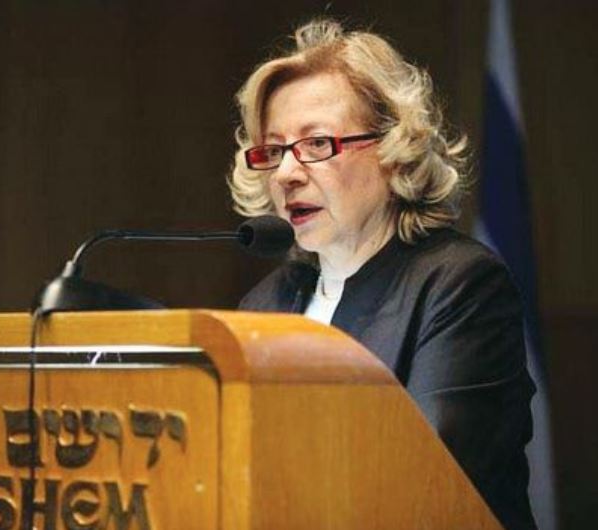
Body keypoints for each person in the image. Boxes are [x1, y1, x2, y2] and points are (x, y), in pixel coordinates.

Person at [229, 18, 536, 529]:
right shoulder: (264, 304)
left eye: (317, 144)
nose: (285, 173)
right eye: (274, 150)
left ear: (395, 151)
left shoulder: (459, 284)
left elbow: (426, 482)